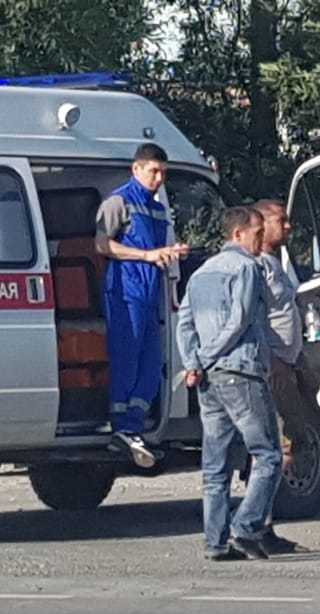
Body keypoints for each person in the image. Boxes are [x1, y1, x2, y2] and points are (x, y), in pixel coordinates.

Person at [176, 206, 281, 561]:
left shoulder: (201, 273)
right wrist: (205, 357)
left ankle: (215, 542)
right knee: (268, 455)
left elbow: (184, 324)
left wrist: (193, 361)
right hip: (241, 371)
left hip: (209, 379)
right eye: (256, 233)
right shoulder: (247, 268)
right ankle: (245, 527)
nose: (260, 239)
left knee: (215, 464)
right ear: (238, 234)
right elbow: (239, 321)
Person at [94, 143, 189, 467]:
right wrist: (147, 256)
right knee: (127, 357)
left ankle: (135, 424)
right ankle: (122, 427)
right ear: (137, 169)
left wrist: (172, 251)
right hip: (126, 288)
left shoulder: (159, 208)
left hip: (152, 292)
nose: (159, 178)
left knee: (153, 363)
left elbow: (155, 247)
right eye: (153, 171)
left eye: (163, 172)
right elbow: (102, 244)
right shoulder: (119, 201)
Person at [250, 199, 311, 553]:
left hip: (288, 365)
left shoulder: (279, 264)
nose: (288, 227)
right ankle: (257, 525)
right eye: (281, 221)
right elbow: (255, 317)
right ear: (261, 223)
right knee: (274, 449)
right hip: (270, 369)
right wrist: (272, 359)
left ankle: (262, 522)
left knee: (288, 443)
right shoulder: (257, 267)